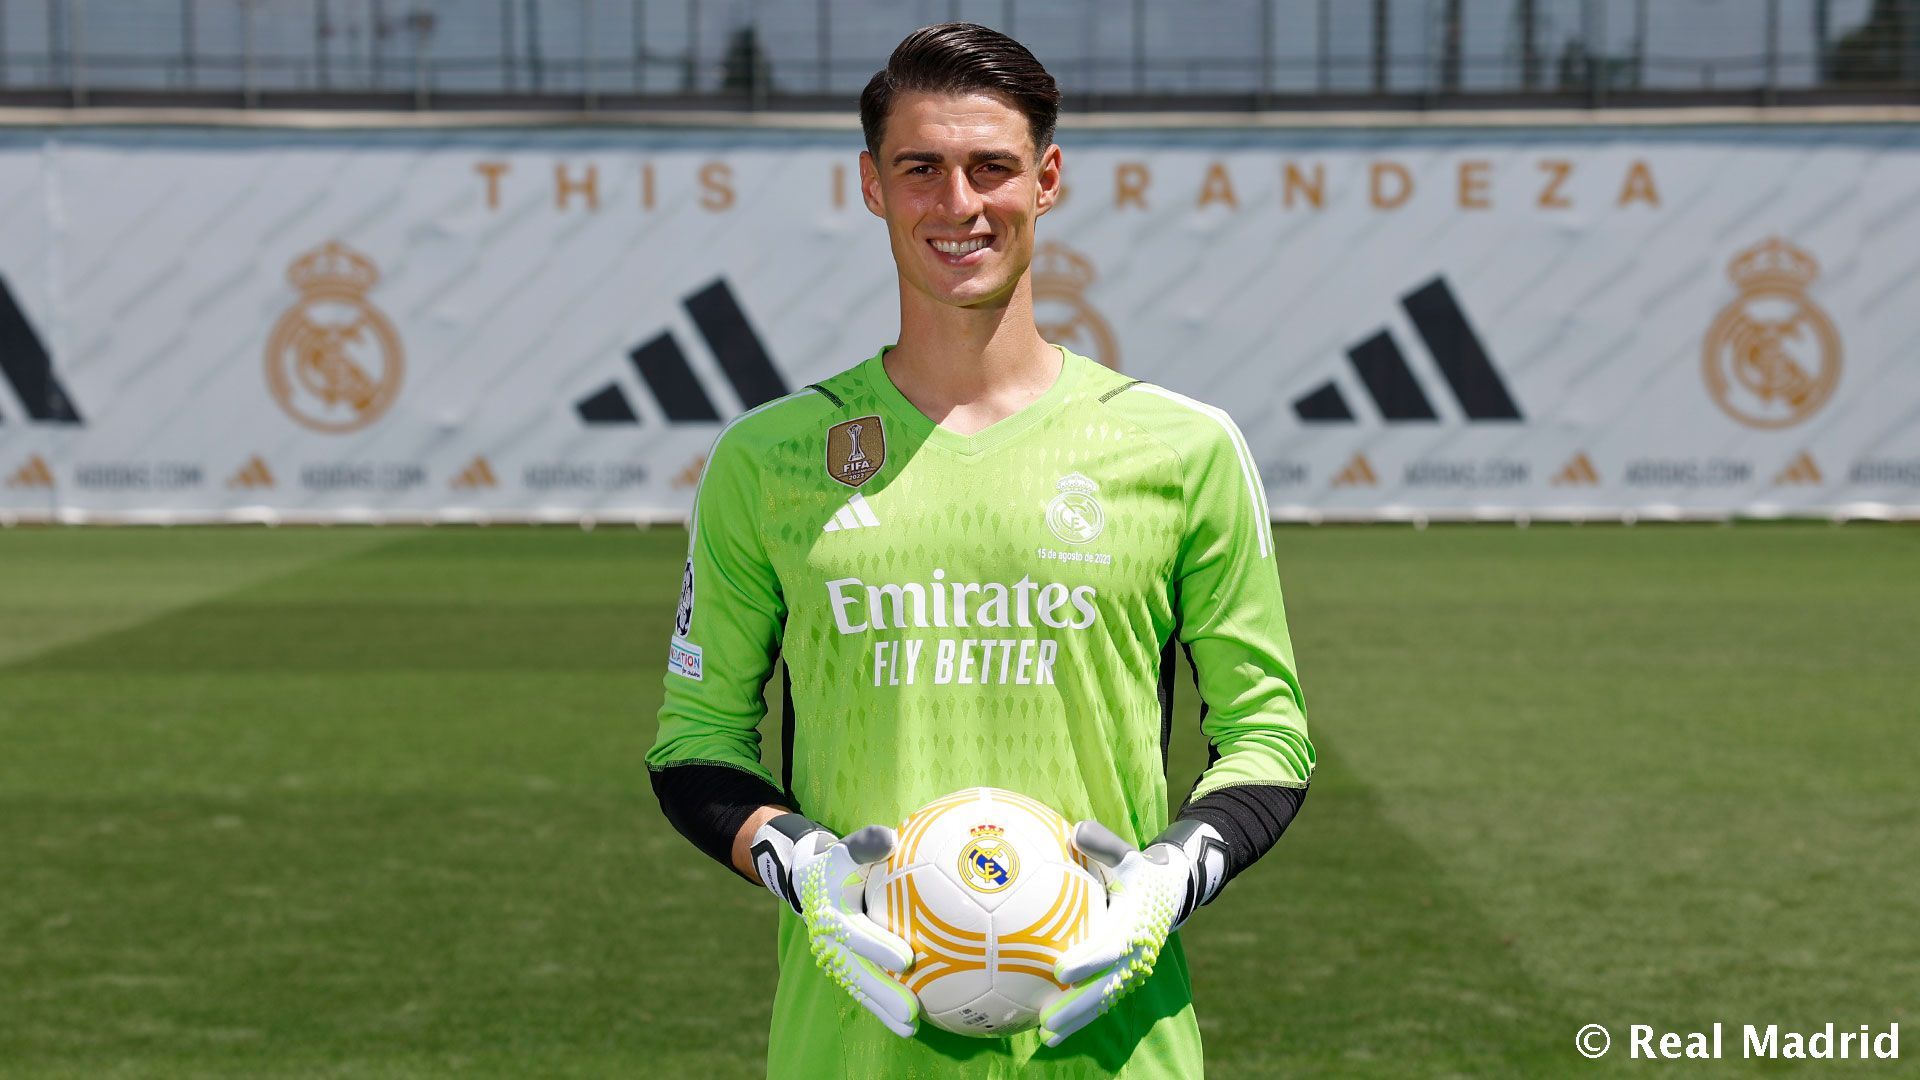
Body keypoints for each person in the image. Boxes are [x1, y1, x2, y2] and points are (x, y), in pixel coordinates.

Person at [647, 22, 1313, 1079]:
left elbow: (1268, 738)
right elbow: (694, 743)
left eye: (991, 168)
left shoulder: (1183, 449)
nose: (958, 204)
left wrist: (1163, 882)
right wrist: (806, 867)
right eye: (921, 168)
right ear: (872, 186)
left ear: (1046, 180)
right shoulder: (769, 458)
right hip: (851, 1048)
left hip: (1112, 1047)